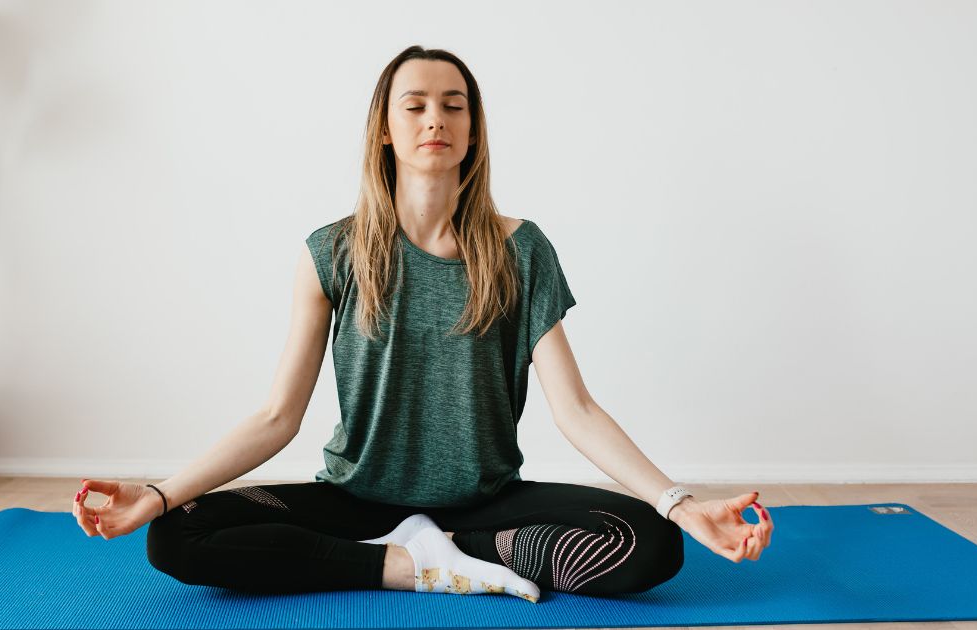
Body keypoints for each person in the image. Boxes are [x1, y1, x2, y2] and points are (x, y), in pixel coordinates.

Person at [73, 45, 774, 602]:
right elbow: (276, 416)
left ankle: (457, 554)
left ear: (472, 130)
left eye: (453, 105)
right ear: (386, 129)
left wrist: (680, 504)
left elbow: (578, 410)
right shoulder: (333, 253)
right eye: (415, 106)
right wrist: (160, 492)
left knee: (651, 544)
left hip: (487, 503)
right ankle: (411, 566)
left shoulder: (520, 250)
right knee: (176, 534)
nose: (435, 119)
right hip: (355, 500)